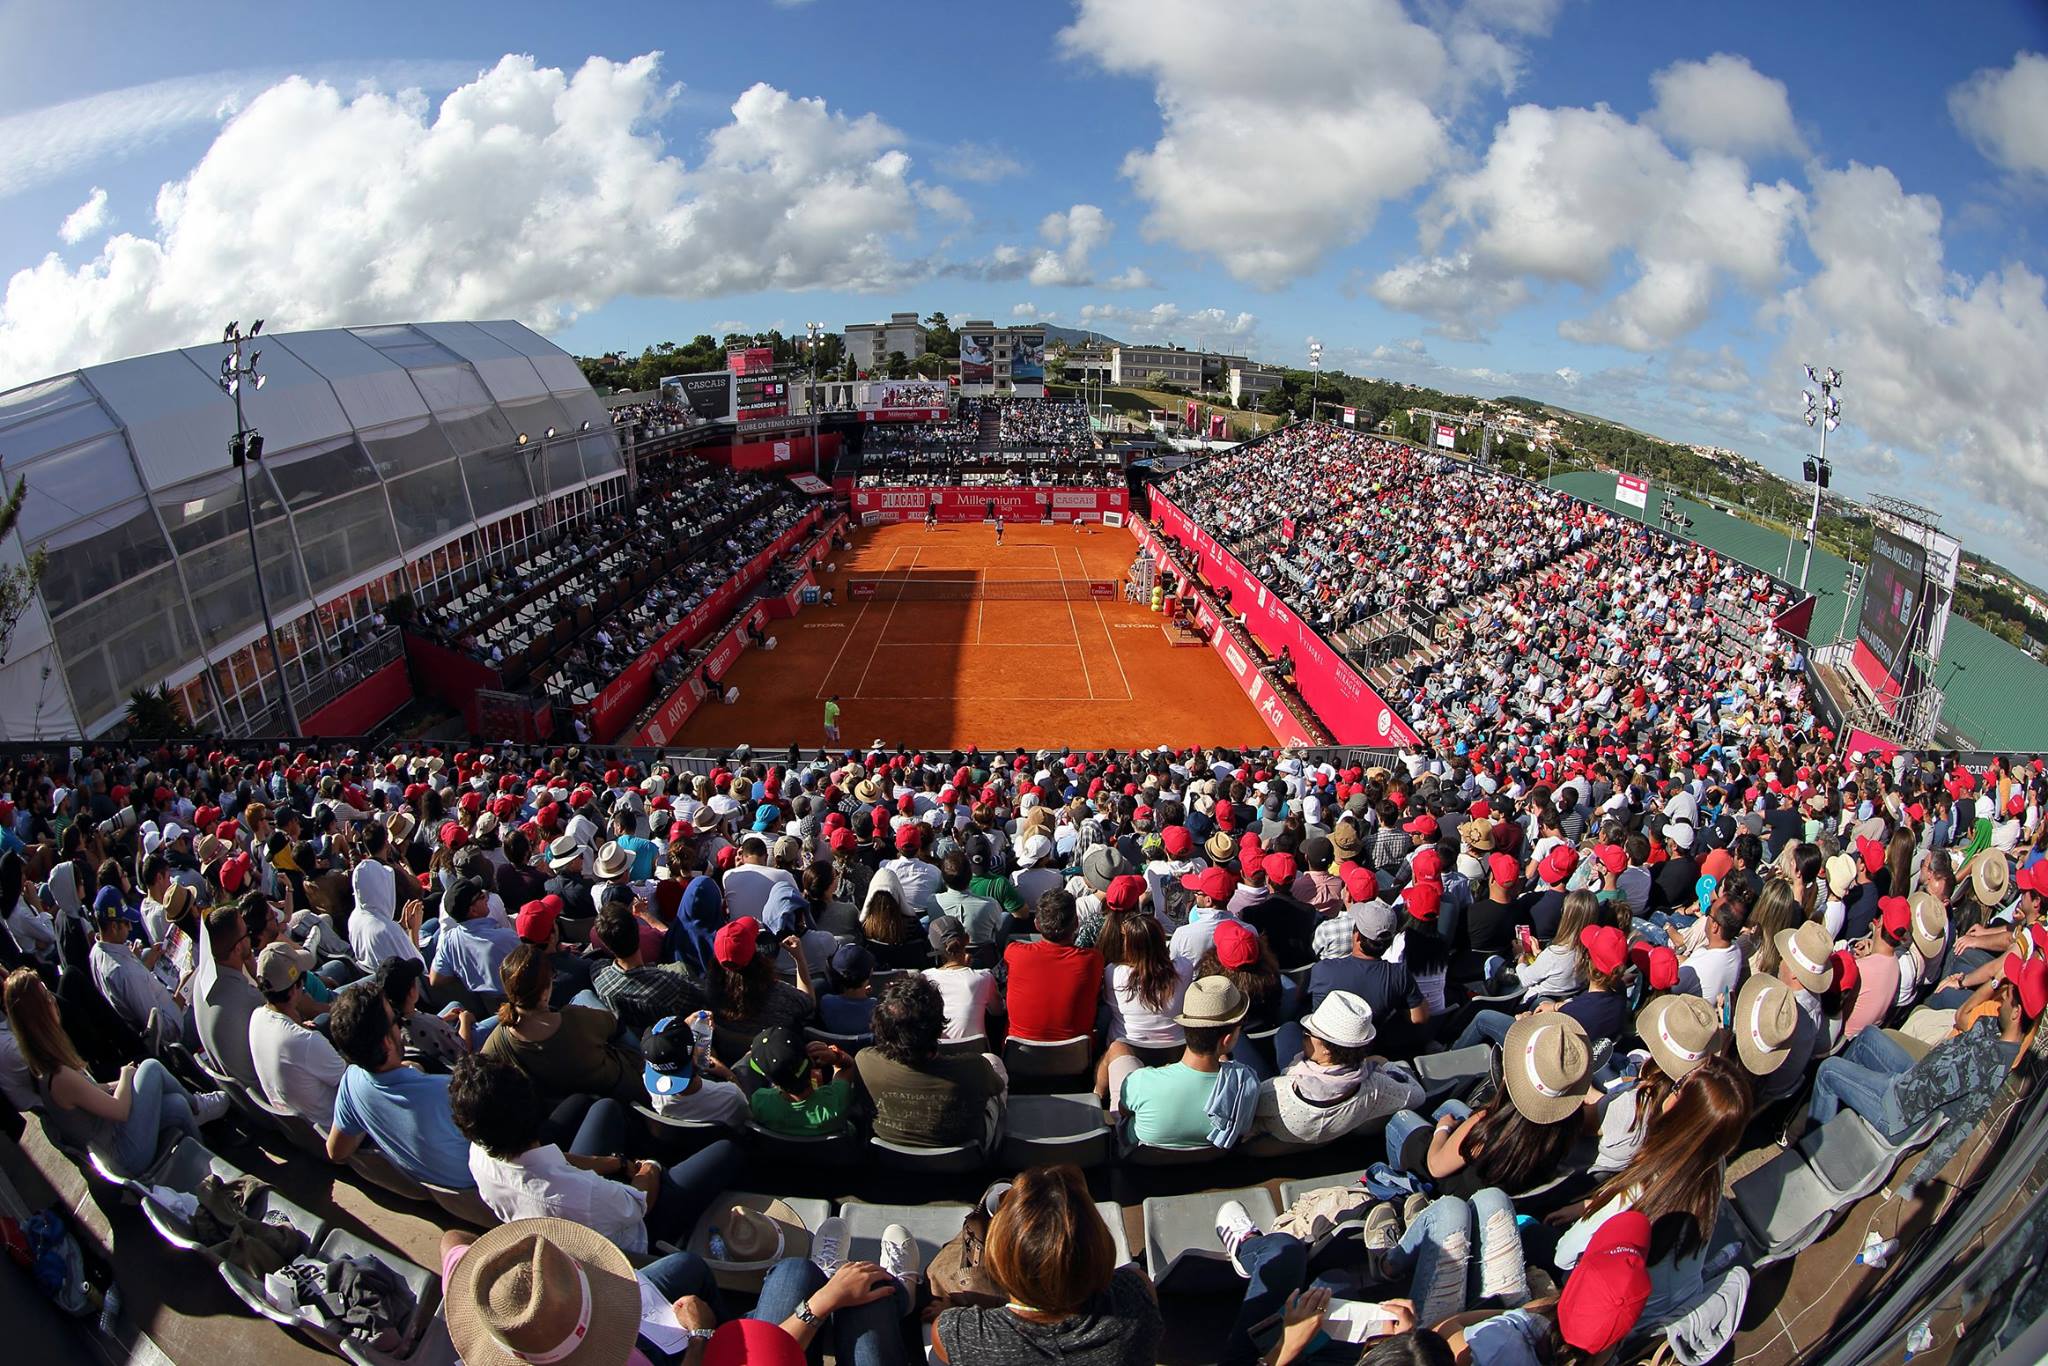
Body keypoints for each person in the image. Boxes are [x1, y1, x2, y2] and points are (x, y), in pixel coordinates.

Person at [449, 1053, 742, 1255]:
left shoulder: (480, 1153)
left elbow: (555, 1159)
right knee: (726, 1151)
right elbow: (639, 1204)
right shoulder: (581, 1192)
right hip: (632, 1234)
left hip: (576, 1213)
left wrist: (615, 1163)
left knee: (605, 1108)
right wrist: (649, 1168)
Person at [1548, 1055, 1751, 1332]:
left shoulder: (1637, 1194)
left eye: (1677, 1087)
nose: (1670, 1091)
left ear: (1683, 1112)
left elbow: (1564, 1256)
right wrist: (1591, 1206)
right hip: (1669, 1306)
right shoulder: (1714, 1167)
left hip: (1621, 1319)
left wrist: (1595, 1212)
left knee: (1539, 1237)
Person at [932, 1163, 1163, 1364]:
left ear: (1000, 1259)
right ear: (1100, 1246)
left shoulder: (959, 1333)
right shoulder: (1136, 1295)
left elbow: (943, 1335)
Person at [4, 967, 226, 1175]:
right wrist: (127, 1076)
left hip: (116, 1140)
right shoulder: (59, 1076)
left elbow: (93, 1091)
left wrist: (122, 1080)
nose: (54, 1000)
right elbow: (119, 1110)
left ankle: (209, 1168)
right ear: (41, 1014)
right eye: (48, 998)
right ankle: (198, 1106)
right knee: (151, 1067)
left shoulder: (46, 1067)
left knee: (177, 1105)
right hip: (123, 1153)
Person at [1386, 1013, 1597, 1196]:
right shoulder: (1571, 1123)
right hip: (1509, 1182)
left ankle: (1403, 1189)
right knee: (1451, 1105)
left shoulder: (1489, 1124)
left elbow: (1436, 1167)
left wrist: (1443, 1128)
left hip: (1459, 1189)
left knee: (1400, 1121)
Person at [325, 979, 477, 1189]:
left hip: (436, 1195)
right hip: (479, 1191)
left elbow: (337, 1152)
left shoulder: (351, 1082)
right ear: (386, 1042)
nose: (400, 1024)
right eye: (395, 1018)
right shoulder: (449, 1091)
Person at [856, 974, 1008, 1151]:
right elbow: (997, 1088)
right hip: (965, 1162)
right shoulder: (975, 1068)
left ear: (880, 1026)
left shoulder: (863, 1062)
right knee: (993, 1061)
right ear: (939, 1026)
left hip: (891, 1160)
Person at [481, 943, 644, 1107]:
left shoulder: (498, 1040)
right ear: (544, 993)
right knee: (587, 997)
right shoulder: (576, 1019)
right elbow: (613, 1025)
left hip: (565, 1106)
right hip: (621, 1091)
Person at [1252, 991, 1424, 1146]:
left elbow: (1248, 1116)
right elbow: (1418, 1095)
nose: (1303, 1037)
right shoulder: (1376, 1087)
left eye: (1307, 1034)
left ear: (1327, 1048)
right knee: (1289, 1030)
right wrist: (1386, 1064)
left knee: (1287, 1029)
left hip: (1284, 1136)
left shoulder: (1277, 1091)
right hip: (1332, 1132)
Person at [1112, 975, 1246, 1146]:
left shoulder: (1139, 1081)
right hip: (1213, 1165)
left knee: (1117, 1049)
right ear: (1227, 1040)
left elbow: (1124, 1111)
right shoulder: (1246, 1085)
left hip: (1140, 1164)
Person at [1308, 904, 1427, 1060]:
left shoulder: (1322, 969)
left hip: (1324, 1052)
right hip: (1367, 1051)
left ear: (1356, 936)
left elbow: (1301, 999)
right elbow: (1420, 1017)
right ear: (1389, 942)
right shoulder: (1400, 975)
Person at [248, 940, 348, 1128]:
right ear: (296, 988)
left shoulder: (256, 1018)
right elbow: (353, 1081)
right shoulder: (306, 1042)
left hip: (307, 1132)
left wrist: (299, 1024)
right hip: (342, 1128)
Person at [706, 915, 815, 1064]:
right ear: (756, 955)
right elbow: (809, 1004)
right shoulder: (781, 995)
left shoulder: (708, 996)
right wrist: (800, 959)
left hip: (734, 1063)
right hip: (776, 1063)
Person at [588, 901, 705, 1033]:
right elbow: (702, 1001)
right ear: (638, 932)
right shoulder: (671, 984)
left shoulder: (598, 977)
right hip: (671, 1040)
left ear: (606, 945)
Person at [87, 896, 187, 1044]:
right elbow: (164, 1030)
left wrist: (147, 961)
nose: (130, 928)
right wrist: (184, 991)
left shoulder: (96, 952)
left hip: (162, 1000)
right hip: (177, 1029)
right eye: (126, 923)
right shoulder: (125, 973)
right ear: (114, 927)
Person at [1003, 890, 1100, 1043]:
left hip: (1019, 1056)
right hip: (1076, 1058)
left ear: (1036, 924)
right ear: (1076, 924)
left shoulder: (1013, 953)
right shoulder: (1092, 960)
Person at [747, 1023, 858, 1136]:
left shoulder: (759, 1101)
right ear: (810, 1059)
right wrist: (837, 1057)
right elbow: (848, 1066)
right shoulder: (837, 1101)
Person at [642, 1014, 748, 1126]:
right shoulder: (730, 1095)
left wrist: (685, 1025)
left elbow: (663, 1050)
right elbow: (748, 1119)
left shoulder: (647, 1083)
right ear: (695, 1056)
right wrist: (729, 1075)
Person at [428, 876, 520, 1003]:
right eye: (481, 896)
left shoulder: (449, 941)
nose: (486, 897)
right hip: (517, 1004)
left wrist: (468, 972)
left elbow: (435, 978)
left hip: (487, 1007)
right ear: (473, 911)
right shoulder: (506, 938)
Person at [923, 915, 998, 1041]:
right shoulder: (984, 977)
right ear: (967, 939)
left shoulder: (925, 977)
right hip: (977, 1056)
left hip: (937, 1055)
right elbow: (997, 1012)